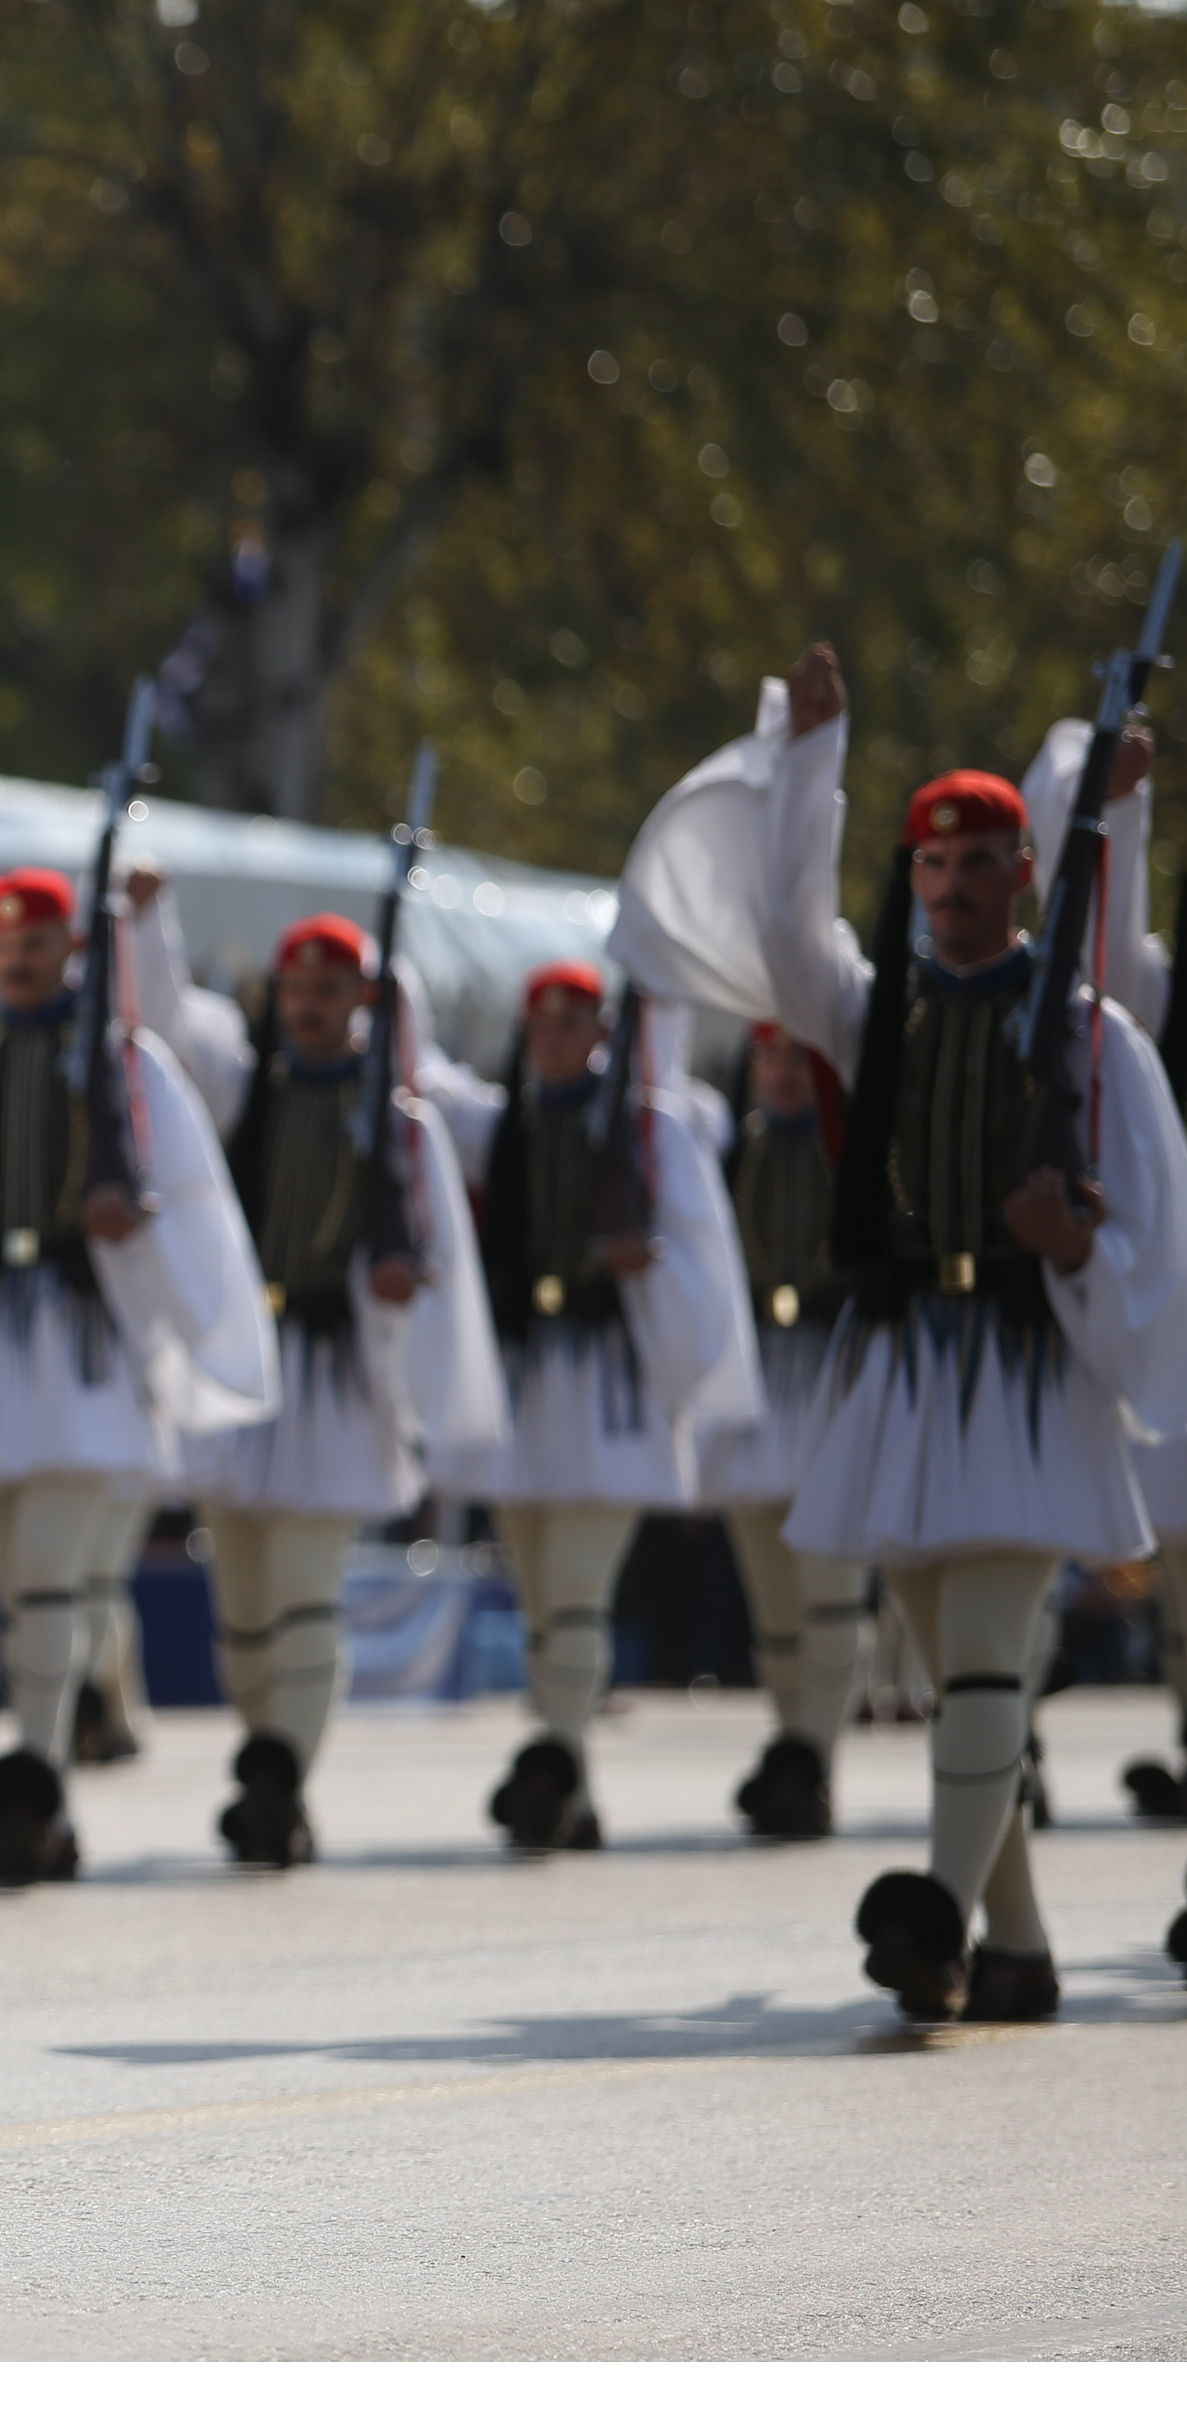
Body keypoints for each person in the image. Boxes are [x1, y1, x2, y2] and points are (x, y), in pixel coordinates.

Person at [618, 642, 1187, 2019]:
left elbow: (1150, 1218)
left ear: (1020, 873)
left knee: (986, 1659)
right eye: (929, 868)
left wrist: (1074, 1248)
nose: (949, 890)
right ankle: (1015, 1947)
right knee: (954, 1681)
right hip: (903, 1368)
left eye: (978, 863)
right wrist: (808, 757)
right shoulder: (875, 1011)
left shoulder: (1086, 1031)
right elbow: (777, 934)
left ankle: (929, 1917)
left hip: (1021, 1363)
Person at [0, 809, 273, 1884]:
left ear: (71, 951)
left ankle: (39, 1774)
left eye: (36, 948)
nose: (18, 965)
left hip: (80, 1335)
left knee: (51, 1574)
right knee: (16, 1562)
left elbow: (191, 1189)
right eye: (1, 948)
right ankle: (37, 1774)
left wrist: (137, 1220)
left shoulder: (126, 1058)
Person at [131, 898, 505, 1866]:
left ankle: (281, 1774)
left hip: (337, 1376)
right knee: (243, 1604)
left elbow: (431, 1249)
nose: (307, 1006)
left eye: (327, 990)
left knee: (301, 1590)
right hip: (251, 1371)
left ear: (363, 1001)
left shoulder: (400, 1120)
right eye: (295, 989)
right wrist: (149, 921)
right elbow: (163, 1025)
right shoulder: (244, 1092)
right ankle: (269, 1770)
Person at [417, 963, 758, 1851]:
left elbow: (699, 1250)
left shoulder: (652, 1130)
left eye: (570, 1028)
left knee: (574, 1592)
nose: (554, 1043)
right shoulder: (512, 1125)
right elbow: (424, 1083)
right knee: (538, 1595)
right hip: (531, 1379)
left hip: (606, 1380)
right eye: (542, 1028)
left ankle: (552, 1759)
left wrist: (647, 1265)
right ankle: (566, 1781)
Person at [706, 1021, 871, 1839]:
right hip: (761, 1372)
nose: (779, 1074)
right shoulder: (735, 1146)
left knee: (827, 1582)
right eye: (767, 1055)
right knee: (769, 1585)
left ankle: (817, 1756)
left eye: (795, 1057)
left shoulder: (852, 1145)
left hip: (834, 1363)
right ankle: (790, 1749)